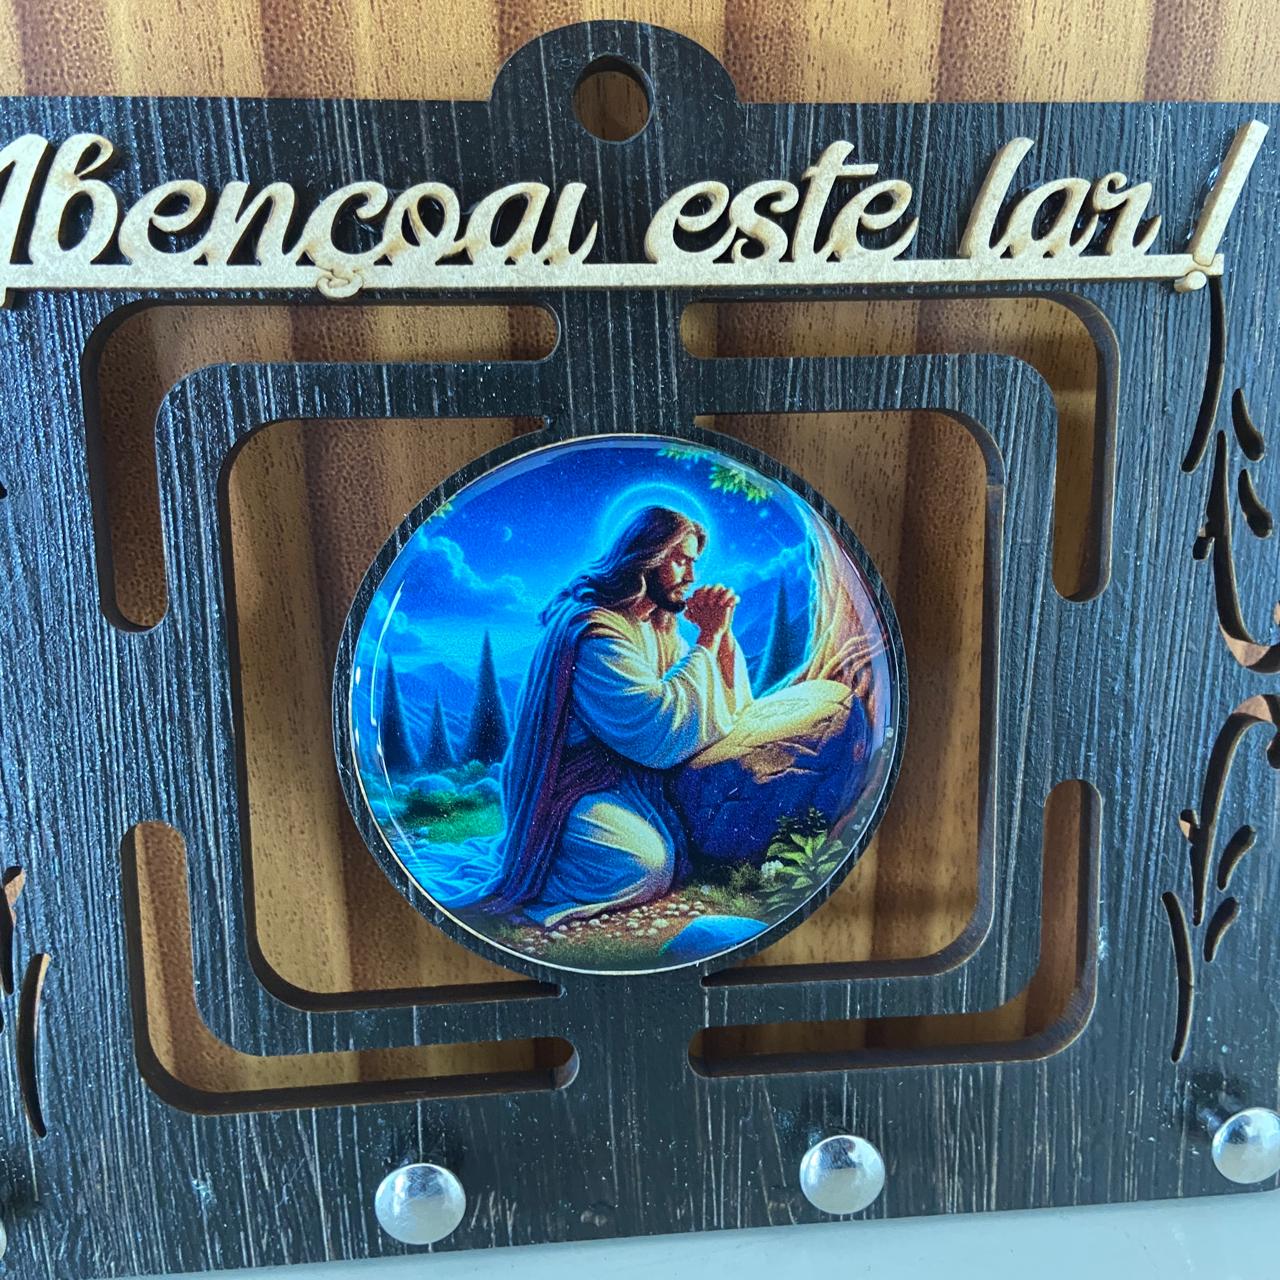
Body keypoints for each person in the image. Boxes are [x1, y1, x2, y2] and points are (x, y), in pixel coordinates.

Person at [409, 506, 754, 927]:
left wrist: (721, 635)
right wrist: (710, 635)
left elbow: (706, 693)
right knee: (644, 865)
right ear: (645, 557)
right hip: (566, 786)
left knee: (659, 859)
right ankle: (539, 872)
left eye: (694, 562)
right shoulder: (595, 632)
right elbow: (658, 726)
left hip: (619, 779)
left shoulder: (652, 622)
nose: (691, 575)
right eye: (680, 560)